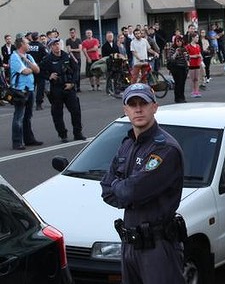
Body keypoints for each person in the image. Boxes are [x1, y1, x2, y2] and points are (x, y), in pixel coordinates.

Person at [100, 83, 185, 284]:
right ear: (125, 110)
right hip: (130, 245)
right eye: (132, 104)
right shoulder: (127, 146)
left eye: (143, 104)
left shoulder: (166, 149)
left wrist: (121, 187)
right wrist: (124, 189)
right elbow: (106, 190)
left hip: (157, 248)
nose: (138, 109)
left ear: (154, 107)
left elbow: (133, 191)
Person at [39, 38, 85, 143]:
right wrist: (49, 76)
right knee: (57, 113)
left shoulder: (67, 56)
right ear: (51, 47)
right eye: (54, 45)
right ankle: (62, 134)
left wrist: (73, 83)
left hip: (69, 87)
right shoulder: (48, 59)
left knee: (76, 111)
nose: (56, 46)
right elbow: (39, 71)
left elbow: (76, 70)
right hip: (56, 89)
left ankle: (78, 133)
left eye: (58, 44)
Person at [10, 36, 43, 150]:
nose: (29, 45)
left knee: (28, 116)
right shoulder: (14, 57)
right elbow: (24, 71)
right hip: (20, 90)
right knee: (18, 117)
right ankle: (17, 142)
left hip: (30, 88)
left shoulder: (29, 56)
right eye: (27, 43)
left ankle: (29, 139)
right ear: (21, 45)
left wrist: (27, 61)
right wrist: (31, 69)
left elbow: (37, 70)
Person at [27, 32, 48, 110]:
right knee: (40, 87)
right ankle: (38, 104)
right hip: (39, 69)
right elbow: (46, 57)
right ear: (38, 37)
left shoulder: (28, 46)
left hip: (30, 68)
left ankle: (28, 102)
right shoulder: (41, 46)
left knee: (31, 87)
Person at [167, 37, 188, 103]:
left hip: (183, 67)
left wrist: (186, 56)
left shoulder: (184, 48)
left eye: (180, 41)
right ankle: (177, 98)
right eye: (177, 41)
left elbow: (188, 59)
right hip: (176, 67)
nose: (179, 43)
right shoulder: (172, 49)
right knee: (178, 83)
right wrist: (176, 53)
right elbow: (170, 59)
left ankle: (182, 96)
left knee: (182, 83)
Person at [65, 28, 83, 92]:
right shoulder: (68, 40)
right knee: (73, 73)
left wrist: (72, 49)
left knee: (78, 73)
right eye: (70, 33)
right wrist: (74, 58)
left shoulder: (79, 40)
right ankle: (74, 86)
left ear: (75, 33)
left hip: (78, 58)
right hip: (72, 59)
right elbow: (68, 51)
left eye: (73, 32)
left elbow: (80, 49)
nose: (72, 34)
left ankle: (78, 87)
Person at [185, 32, 202, 98]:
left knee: (197, 78)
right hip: (191, 63)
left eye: (198, 37)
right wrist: (193, 56)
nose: (197, 39)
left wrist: (200, 58)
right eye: (196, 37)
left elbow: (199, 53)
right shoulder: (188, 46)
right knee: (192, 78)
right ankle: (192, 91)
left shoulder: (198, 46)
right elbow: (186, 55)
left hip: (197, 63)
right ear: (193, 38)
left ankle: (197, 91)